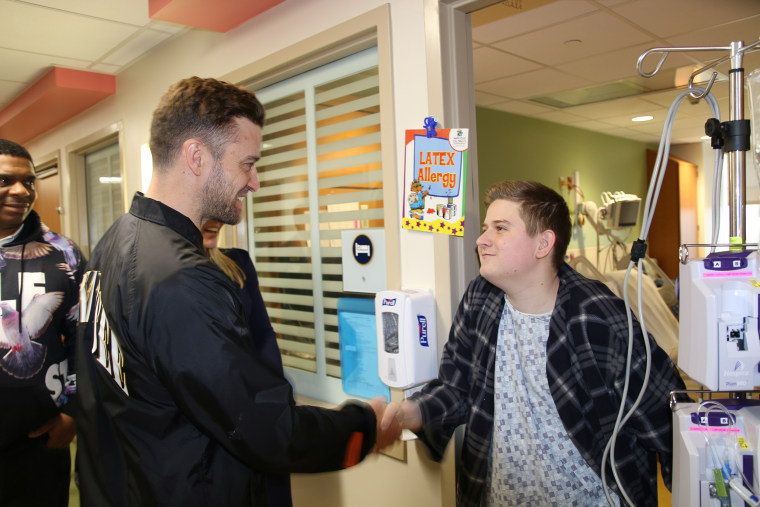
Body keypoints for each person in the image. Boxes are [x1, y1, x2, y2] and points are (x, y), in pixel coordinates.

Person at [75, 76, 399, 506]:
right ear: (196, 156)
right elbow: (264, 427)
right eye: (246, 163)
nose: (255, 182)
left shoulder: (115, 243)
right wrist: (364, 428)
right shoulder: (180, 278)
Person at [382, 180, 685, 506]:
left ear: (543, 244)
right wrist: (403, 414)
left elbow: (669, 422)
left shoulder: (598, 319)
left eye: (500, 228)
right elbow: (457, 387)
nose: (481, 240)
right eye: (486, 228)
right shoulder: (481, 300)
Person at [0, 139, 85, 507]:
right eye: (6, 180)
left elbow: (86, 339)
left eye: (29, 181)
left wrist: (72, 413)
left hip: (37, 439)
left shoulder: (62, 253)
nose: (21, 191)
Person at [200, 219, 292, 506]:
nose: (214, 222)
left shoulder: (237, 263)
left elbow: (263, 334)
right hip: (215, 422)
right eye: (206, 214)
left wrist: (277, 403)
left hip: (259, 411)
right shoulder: (175, 277)